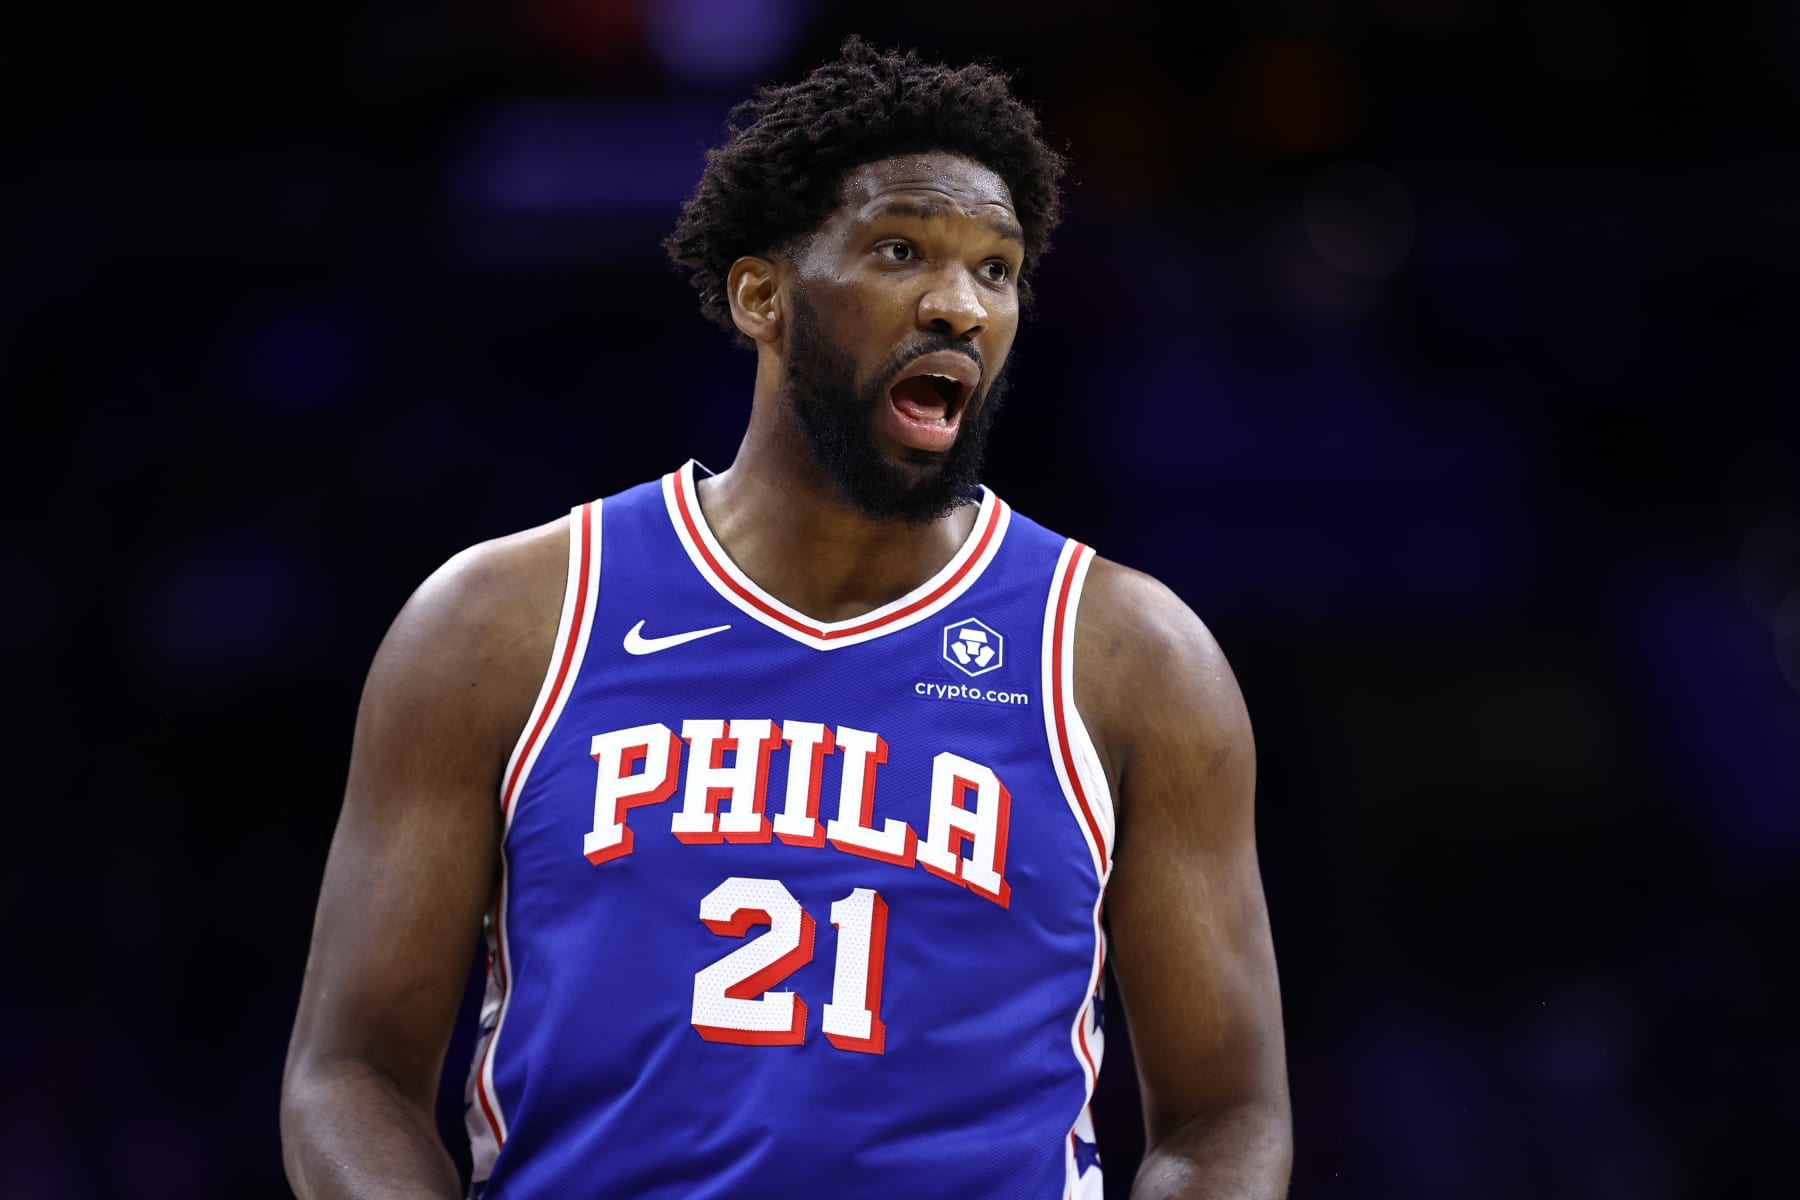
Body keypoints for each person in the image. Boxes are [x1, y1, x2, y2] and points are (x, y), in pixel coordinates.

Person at [281, 37, 1291, 1200]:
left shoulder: (1127, 658)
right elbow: (349, 1072)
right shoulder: (506, 621)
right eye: (902, 251)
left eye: (997, 269)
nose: (959, 305)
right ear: (763, 295)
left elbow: (1227, 1115)